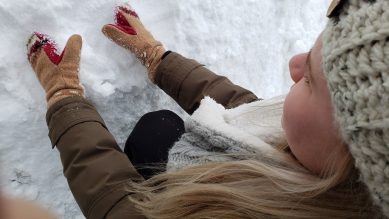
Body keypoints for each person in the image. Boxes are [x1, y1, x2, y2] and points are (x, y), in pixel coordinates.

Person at [26, 0, 388, 218]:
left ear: (347, 164)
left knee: (156, 133)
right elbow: (240, 107)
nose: (293, 65)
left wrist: (65, 98)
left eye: (309, 78)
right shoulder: (322, 157)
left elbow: (115, 201)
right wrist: (160, 59)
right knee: (159, 127)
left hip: (186, 195)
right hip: (206, 169)